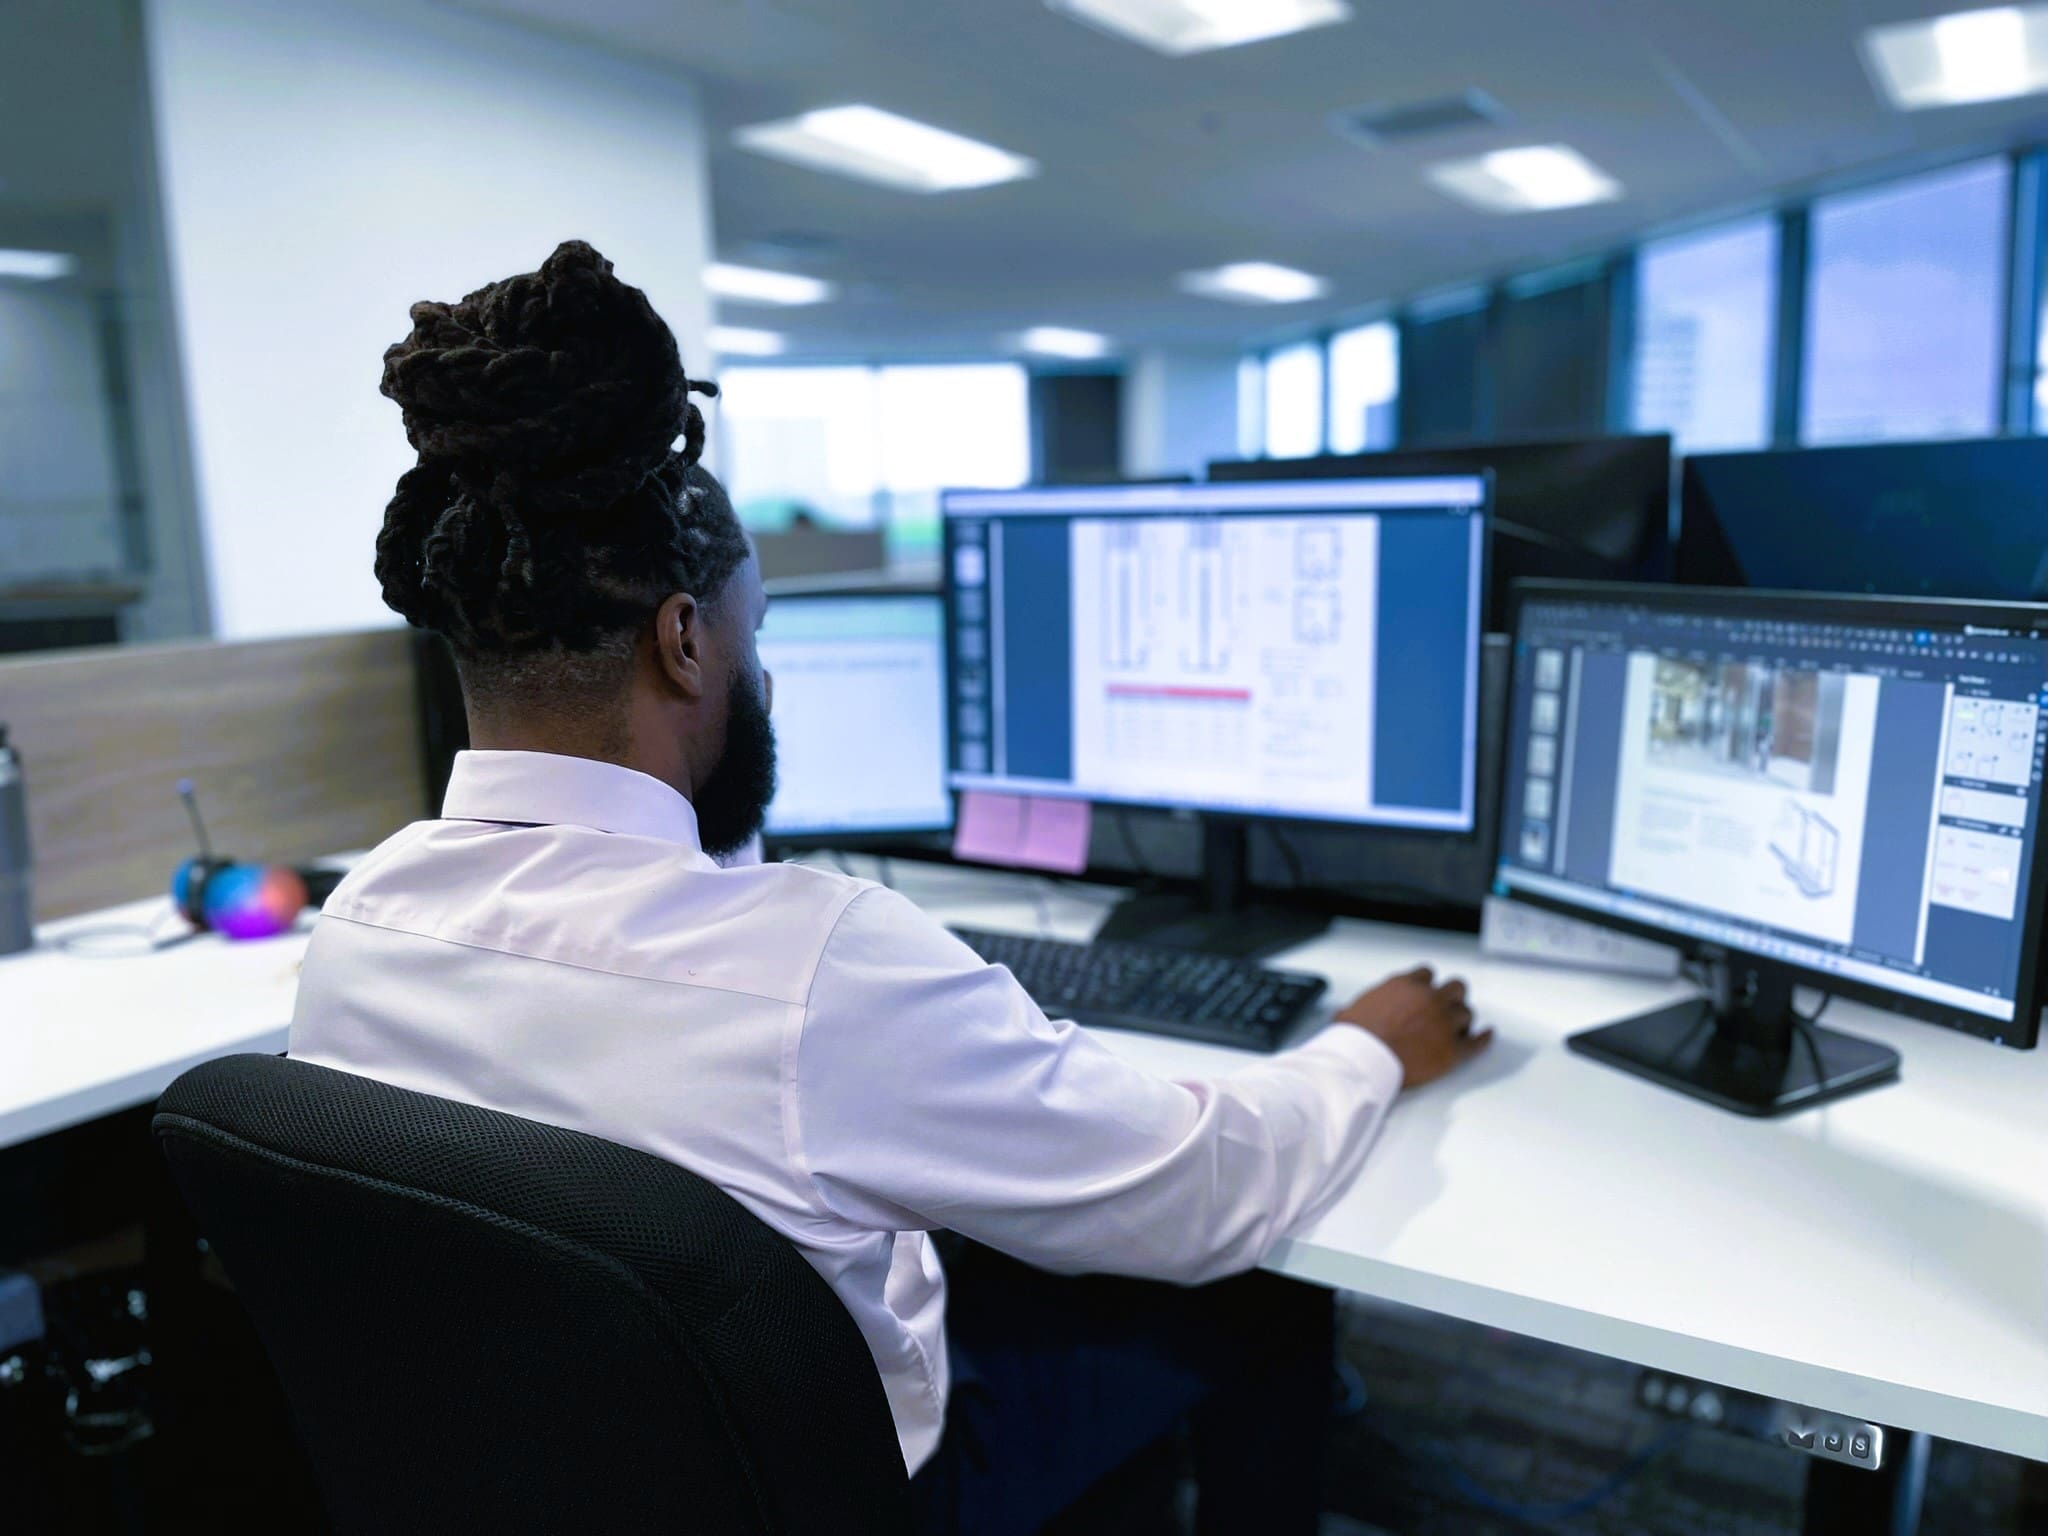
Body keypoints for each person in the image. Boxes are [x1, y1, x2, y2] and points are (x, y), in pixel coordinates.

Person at [289, 241, 1490, 1535]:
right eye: (758, 637)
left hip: (552, 1483)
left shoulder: (355, 930)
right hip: (857, 1497)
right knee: (1255, 1295)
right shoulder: (814, 971)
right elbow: (1203, 1194)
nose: (762, 678)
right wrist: (1364, 1050)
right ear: (685, 641)